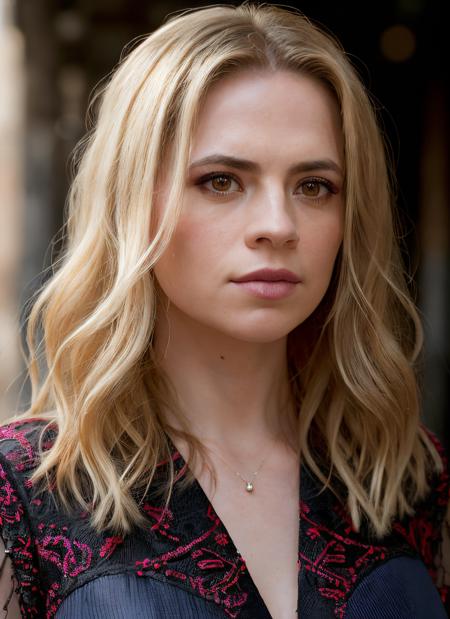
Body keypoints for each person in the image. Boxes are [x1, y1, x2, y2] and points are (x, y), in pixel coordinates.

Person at [1, 3, 449, 618]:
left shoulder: (408, 479)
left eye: (313, 186)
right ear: (133, 203)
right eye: (221, 180)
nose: (277, 226)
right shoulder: (23, 494)